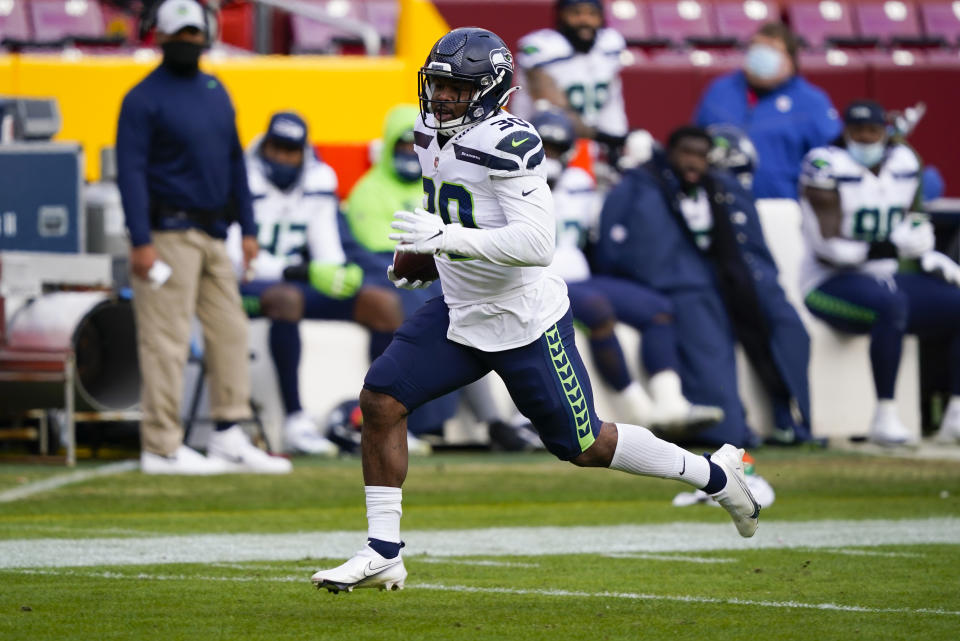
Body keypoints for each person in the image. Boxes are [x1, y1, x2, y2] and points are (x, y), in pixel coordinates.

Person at [310, 27, 759, 594]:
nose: (442, 96)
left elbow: (534, 244)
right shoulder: (427, 131)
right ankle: (382, 551)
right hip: (458, 306)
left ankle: (718, 475)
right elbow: (459, 202)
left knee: (586, 445)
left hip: (524, 317)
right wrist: (426, 249)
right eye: (438, 83)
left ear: (491, 89)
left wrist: (445, 237)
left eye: (456, 86)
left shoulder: (510, 140)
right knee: (380, 399)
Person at [116, 0, 290, 474]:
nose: (190, 41)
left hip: (215, 233)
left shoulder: (216, 90)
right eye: (182, 35)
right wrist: (140, 240)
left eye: (196, 34)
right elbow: (129, 173)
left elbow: (235, 162)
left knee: (230, 331)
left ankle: (229, 434)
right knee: (166, 340)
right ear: (162, 37)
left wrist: (249, 229)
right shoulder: (142, 98)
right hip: (166, 232)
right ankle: (161, 445)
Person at [594, 126, 813, 447]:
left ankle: (789, 419)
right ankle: (727, 430)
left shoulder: (717, 187)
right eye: (686, 153)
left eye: (701, 155)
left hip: (723, 283)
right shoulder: (643, 186)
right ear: (669, 152)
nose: (693, 162)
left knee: (782, 320)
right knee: (702, 320)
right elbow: (623, 254)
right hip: (678, 288)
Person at [343, 105, 543, 452]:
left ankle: (500, 419)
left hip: (448, 271)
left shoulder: (446, 176)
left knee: (471, 310)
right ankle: (443, 420)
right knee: (447, 314)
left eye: (412, 146)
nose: (409, 153)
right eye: (401, 146)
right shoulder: (369, 190)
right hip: (392, 278)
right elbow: (387, 256)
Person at [531, 108, 723, 433]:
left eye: (556, 149)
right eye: (543, 148)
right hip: (537, 278)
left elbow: (601, 226)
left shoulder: (580, 183)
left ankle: (670, 403)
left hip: (581, 275)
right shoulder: (511, 180)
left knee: (656, 307)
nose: (550, 157)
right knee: (596, 308)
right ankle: (637, 410)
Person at [227, 110, 404, 456]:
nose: (283, 158)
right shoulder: (241, 178)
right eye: (276, 149)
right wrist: (299, 271)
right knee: (287, 298)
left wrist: (340, 272)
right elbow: (237, 259)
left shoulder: (319, 178)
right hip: (247, 286)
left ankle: (384, 417)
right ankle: (295, 420)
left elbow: (327, 248)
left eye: (291, 151)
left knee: (381, 303)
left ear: (303, 152)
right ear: (264, 148)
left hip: (293, 281)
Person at [798, 99, 960, 445]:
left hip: (886, 277)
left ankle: (955, 414)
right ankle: (884, 415)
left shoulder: (903, 161)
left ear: (884, 132)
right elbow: (829, 247)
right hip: (828, 283)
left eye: (872, 130)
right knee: (891, 305)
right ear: (846, 131)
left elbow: (914, 215)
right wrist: (887, 247)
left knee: (955, 301)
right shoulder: (824, 164)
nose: (865, 137)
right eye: (857, 131)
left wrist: (923, 248)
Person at [693, 22, 841, 199]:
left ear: (791, 60)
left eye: (771, 49)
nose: (761, 54)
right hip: (721, 201)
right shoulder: (720, 90)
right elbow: (696, 141)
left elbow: (831, 159)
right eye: (756, 47)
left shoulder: (812, 102)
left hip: (782, 205)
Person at [516, 0, 628, 148]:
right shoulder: (541, 46)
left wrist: (622, 139)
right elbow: (557, 111)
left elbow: (611, 101)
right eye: (576, 13)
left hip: (593, 145)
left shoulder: (609, 45)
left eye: (592, 14)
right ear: (561, 15)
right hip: (542, 144)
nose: (585, 20)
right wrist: (611, 138)